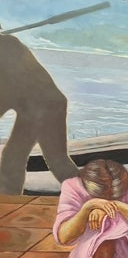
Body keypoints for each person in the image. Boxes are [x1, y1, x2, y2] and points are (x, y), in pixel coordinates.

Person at [0, 28, 78, 196]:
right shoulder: (8, 45)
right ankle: (9, 207)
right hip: (35, 108)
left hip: (44, 107)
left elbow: (6, 96)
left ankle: (98, 204)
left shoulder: (7, 47)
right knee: (14, 158)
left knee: (56, 162)